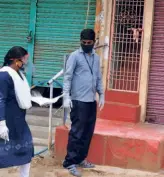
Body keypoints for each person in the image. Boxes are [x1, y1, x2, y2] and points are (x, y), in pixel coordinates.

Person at [63, 29, 105, 177]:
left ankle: (81, 158)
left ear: (94, 42)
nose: (86, 45)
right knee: (77, 132)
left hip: (90, 100)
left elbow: (98, 77)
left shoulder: (96, 58)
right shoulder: (75, 56)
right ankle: (69, 162)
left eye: (89, 43)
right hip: (78, 100)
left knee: (87, 132)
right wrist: (66, 97)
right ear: (80, 41)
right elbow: (67, 77)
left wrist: (102, 94)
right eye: (84, 43)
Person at [0, 46, 34, 177]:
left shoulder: (18, 75)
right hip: (7, 120)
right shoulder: (4, 75)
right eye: (23, 60)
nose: (25, 63)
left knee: (26, 149)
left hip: (18, 119)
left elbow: (19, 96)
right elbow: (0, 99)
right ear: (15, 60)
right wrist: (1, 124)